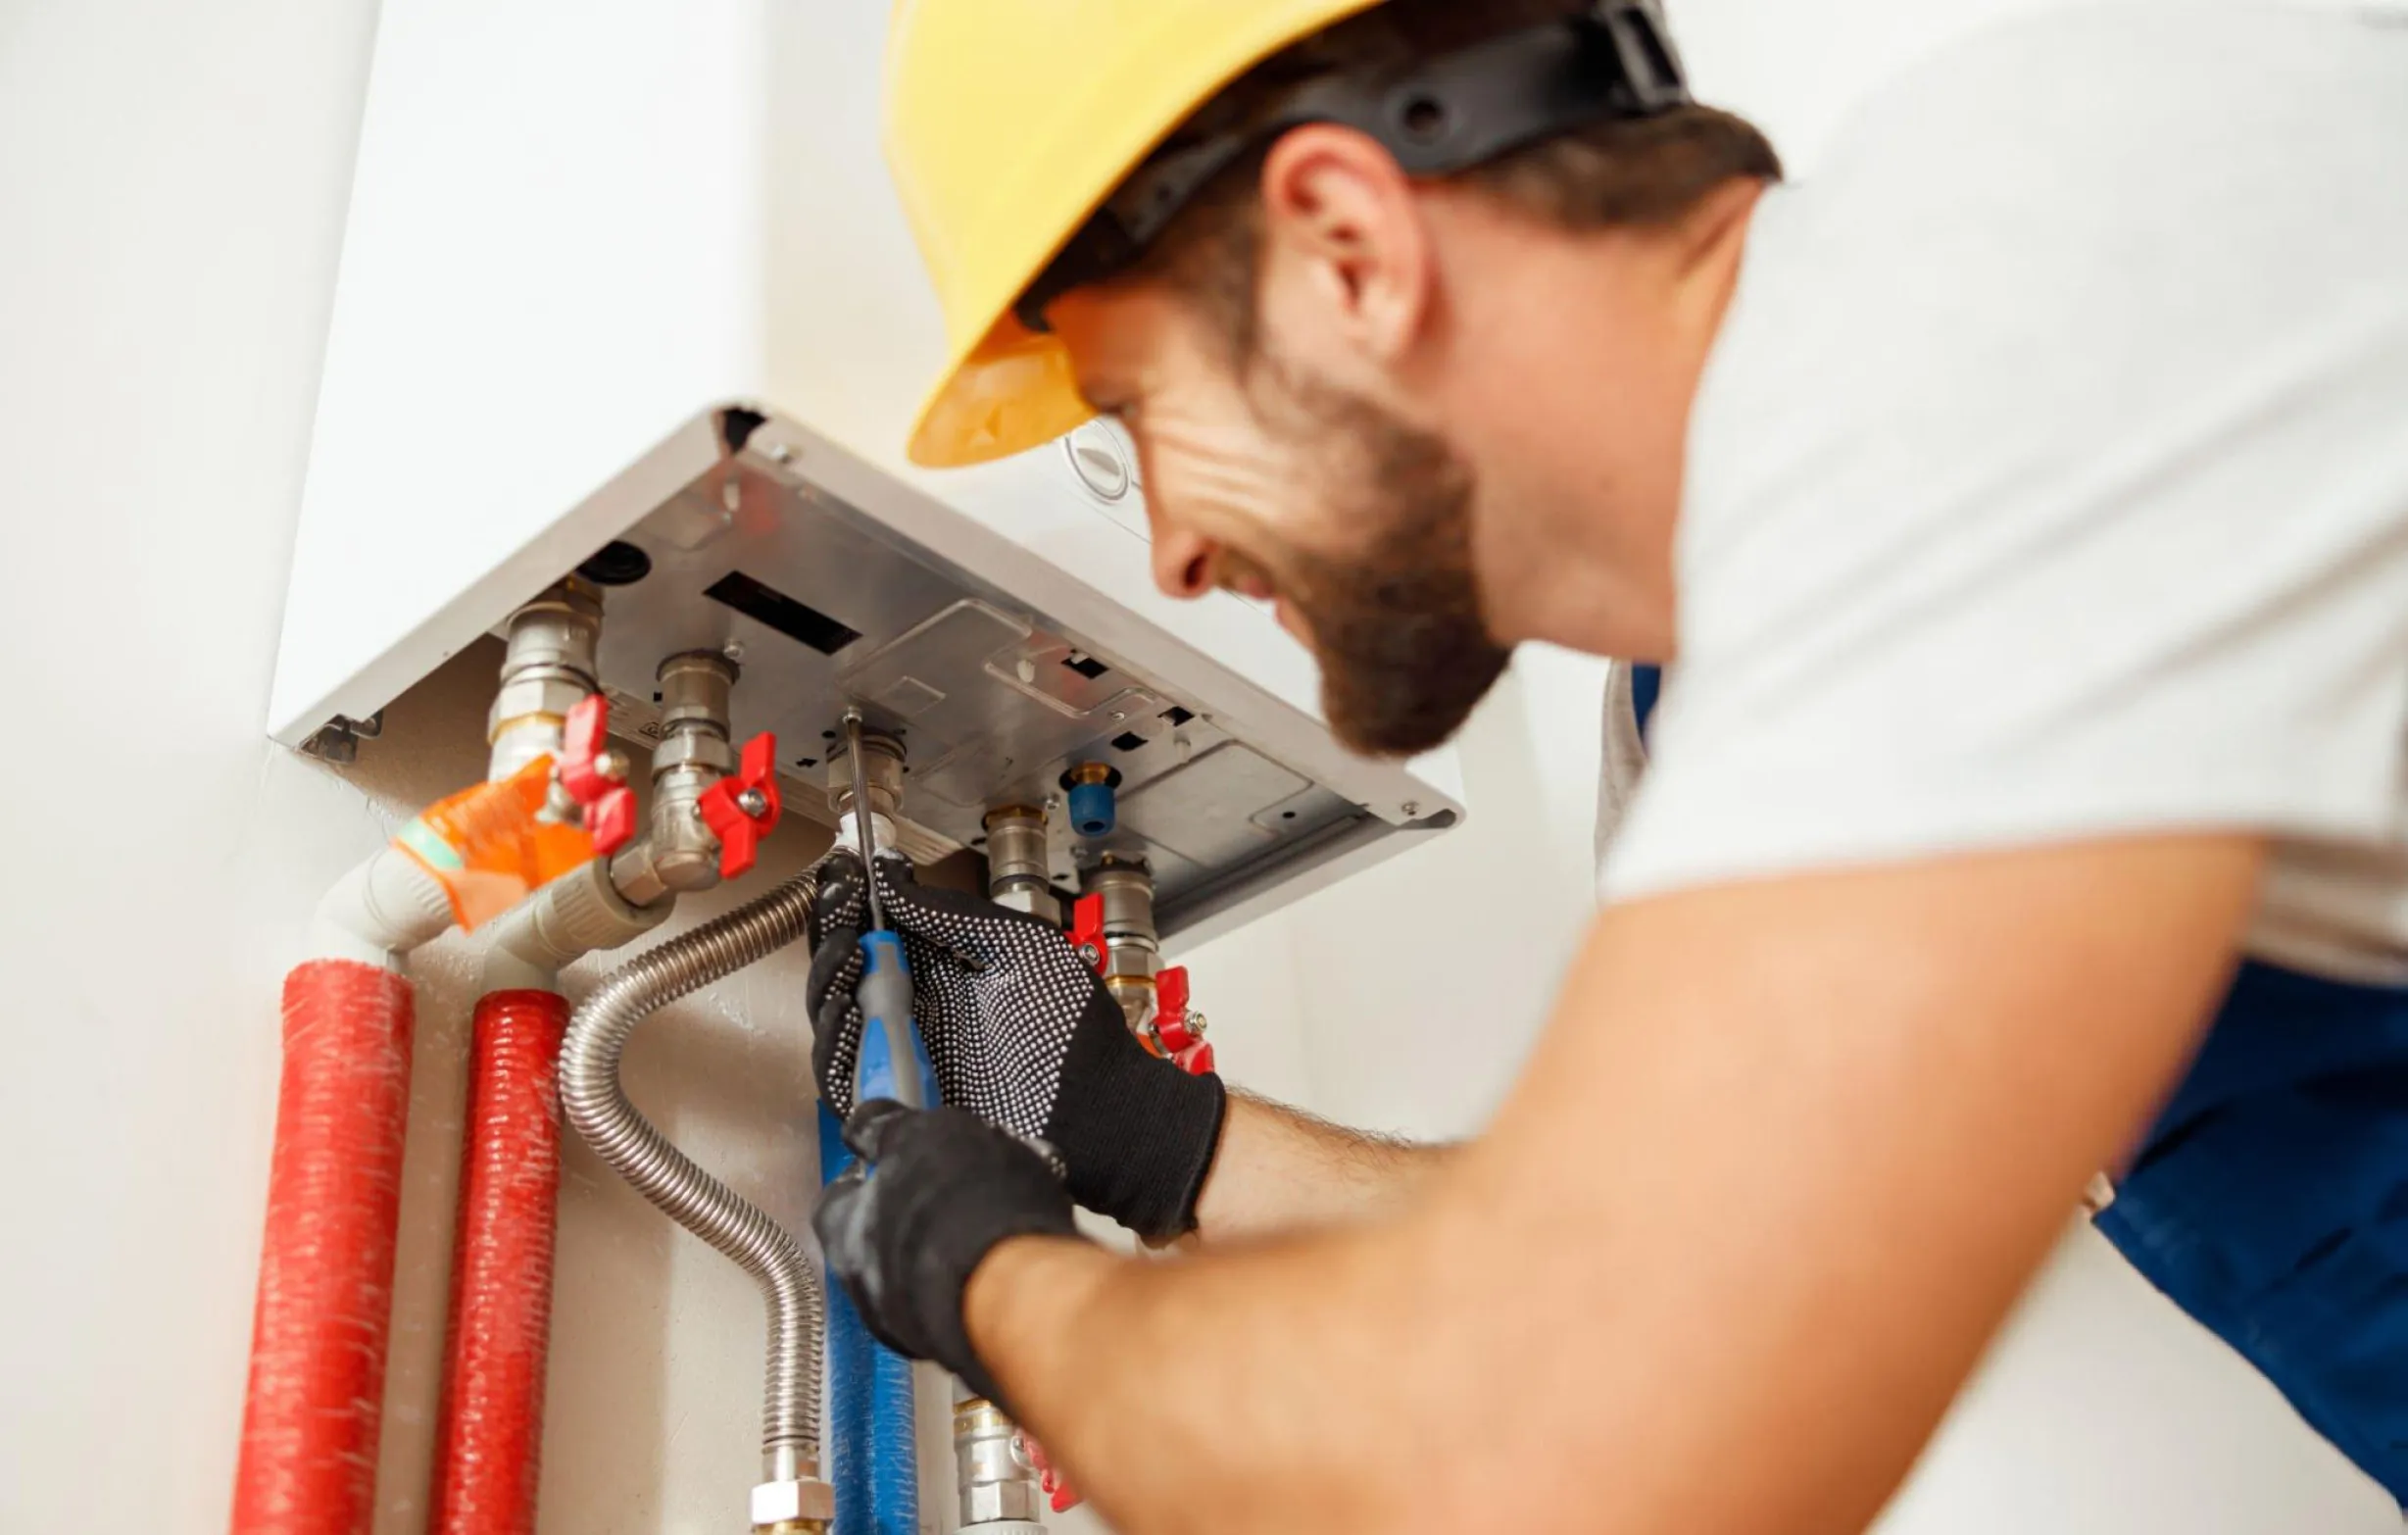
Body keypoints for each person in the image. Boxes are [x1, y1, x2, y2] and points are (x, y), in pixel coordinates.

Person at [806, 2, 2408, 1527]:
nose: (1168, 547)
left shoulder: (2002, 294)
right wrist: (1146, 1129)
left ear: (1350, 251)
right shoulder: (1726, 711)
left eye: (1140, 408)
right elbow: (1659, 1267)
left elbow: (1545, 1460)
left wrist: (990, 1278)